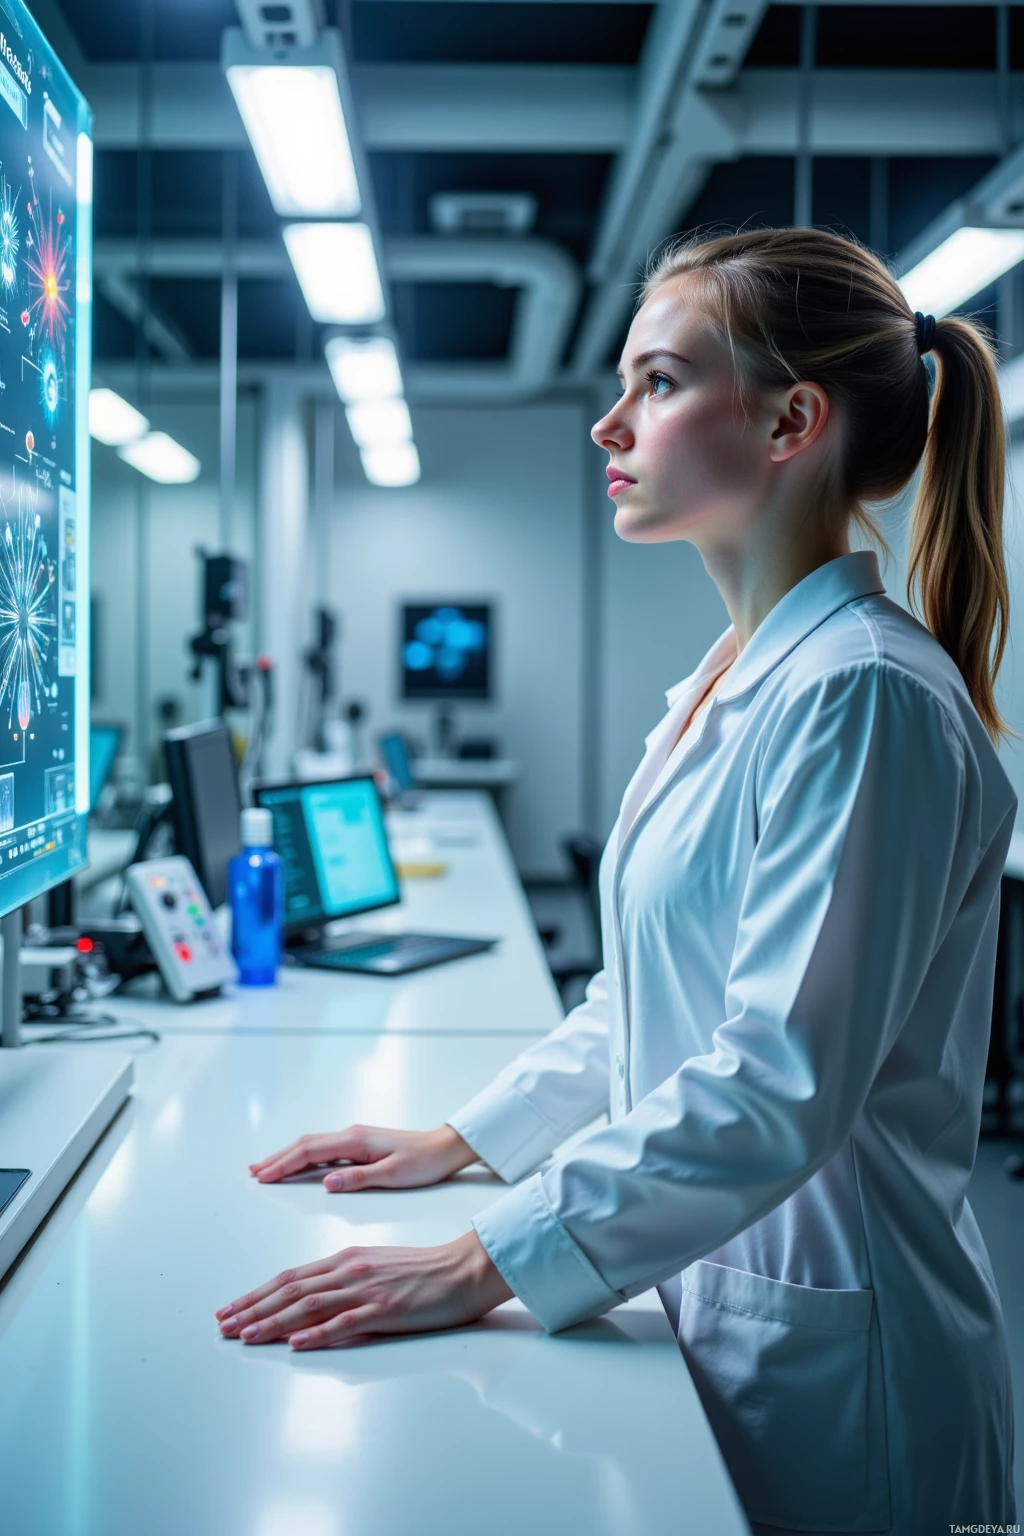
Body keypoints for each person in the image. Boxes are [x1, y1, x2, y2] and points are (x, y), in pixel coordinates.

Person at [216, 228, 1017, 1535]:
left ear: (790, 421)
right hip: (727, 1293)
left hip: (845, 1360)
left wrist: (488, 1259)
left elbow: (775, 1078)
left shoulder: (861, 698)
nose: (609, 423)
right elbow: (653, 998)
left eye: (657, 382)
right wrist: (468, 1143)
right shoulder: (735, 681)